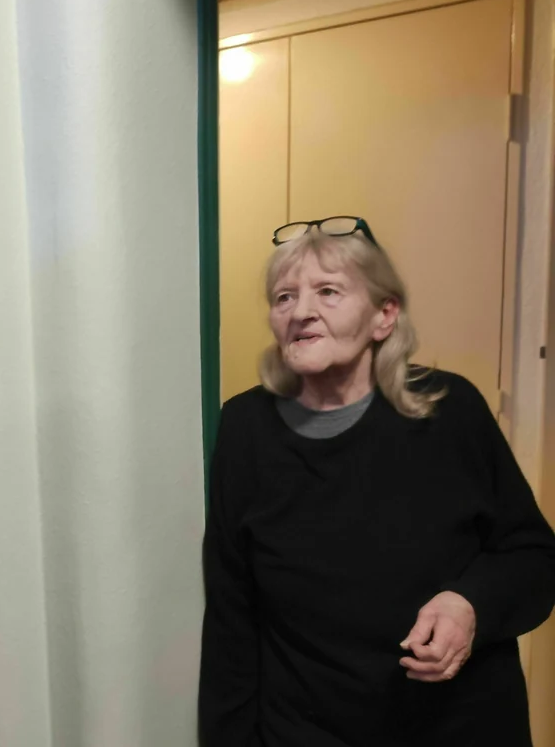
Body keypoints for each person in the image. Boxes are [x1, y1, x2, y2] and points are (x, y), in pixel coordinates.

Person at [198, 217, 555, 746]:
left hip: (458, 725)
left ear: (384, 316)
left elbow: (533, 557)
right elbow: (232, 617)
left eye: (328, 291)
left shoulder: (450, 411)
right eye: (284, 297)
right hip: (306, 730)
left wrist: (470, 605)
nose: (300, 311)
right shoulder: (245, 429)